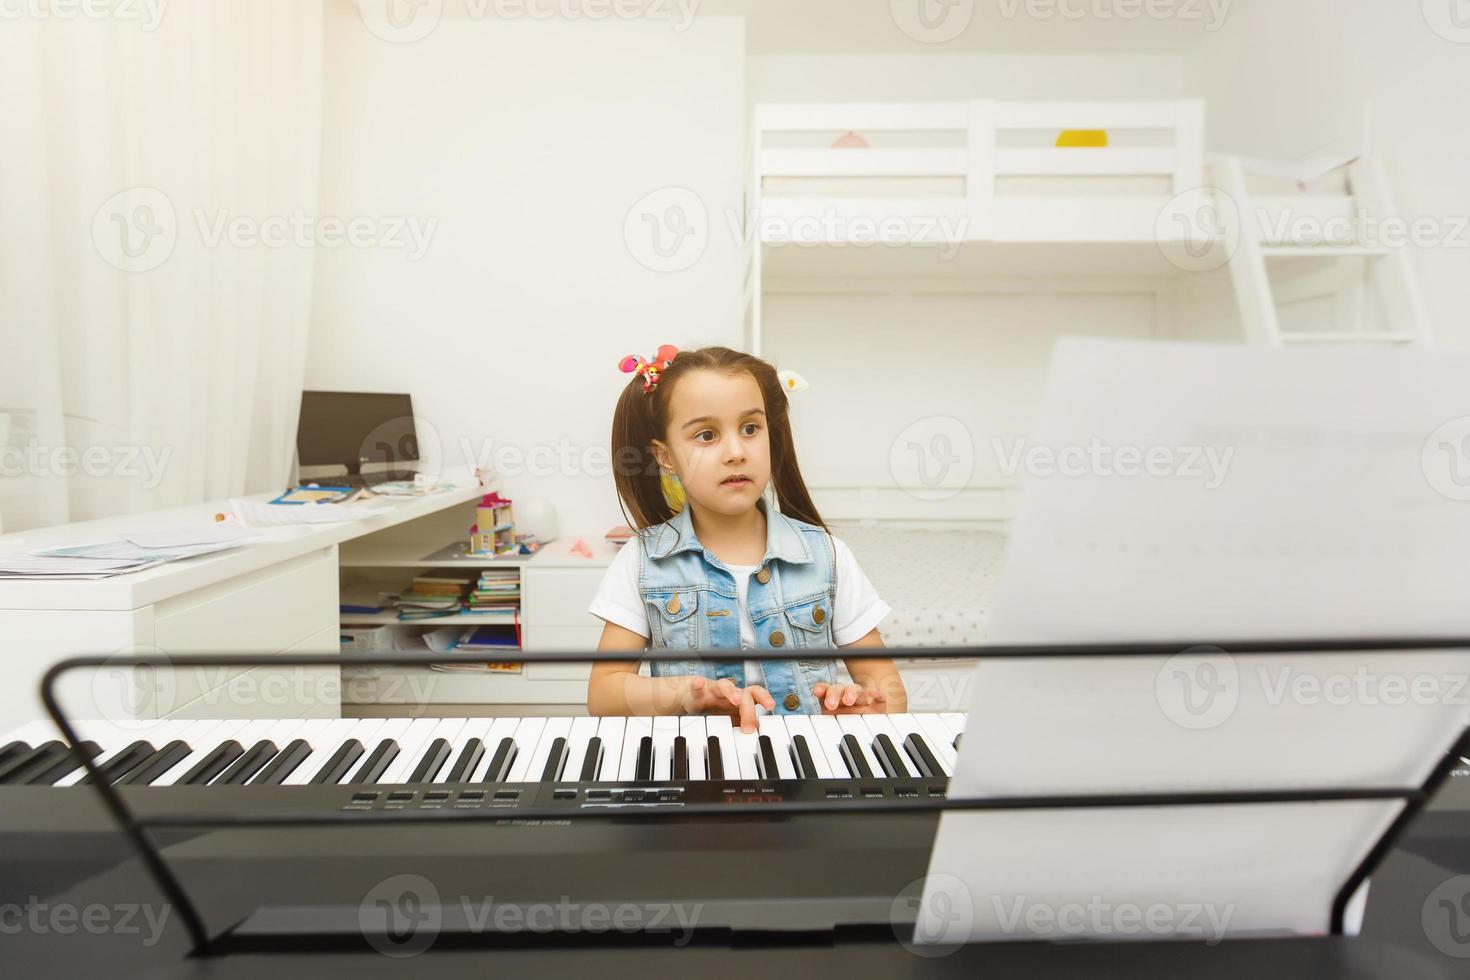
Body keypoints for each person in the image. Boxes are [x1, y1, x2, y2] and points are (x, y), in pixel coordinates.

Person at [586, 344, 905, 733]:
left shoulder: (828, 555)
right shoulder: (642, 561)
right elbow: (603, 695)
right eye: (706, 435)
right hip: (697, 770)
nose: (736, 452)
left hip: (807, 769)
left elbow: (888, 689)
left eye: (751, 429)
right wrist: (689, 693)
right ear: (665, 456)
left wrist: (865, 707)